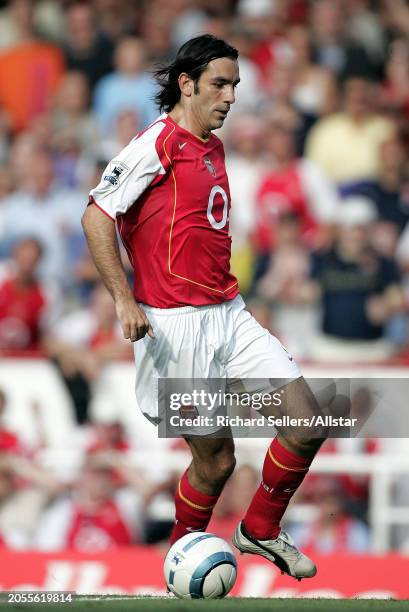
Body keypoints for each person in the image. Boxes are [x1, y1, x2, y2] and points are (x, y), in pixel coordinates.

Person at [82, 34, 327, 580]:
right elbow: (97, 215)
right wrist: (123, 299)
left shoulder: (212, 145)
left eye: (236, 85)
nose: (231, 96)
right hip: (173, 328)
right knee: (216, 461)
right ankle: (178, 562)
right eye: (220, 84)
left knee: (307, 422)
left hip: (229, 314)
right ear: (186, 84)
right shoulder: (156, 144)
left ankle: (259, 529)